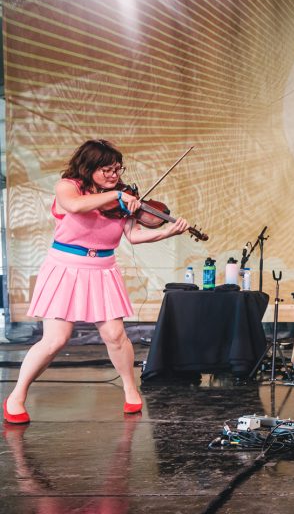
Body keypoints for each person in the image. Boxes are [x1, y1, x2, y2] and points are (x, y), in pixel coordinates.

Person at [3, 140, 189, 425]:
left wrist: (167, 233)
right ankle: (16, 396)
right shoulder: (69, 187)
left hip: (103, 269)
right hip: (65, 267)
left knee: (115, 335)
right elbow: (75, 206)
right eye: (107, 169)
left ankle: (130, 389)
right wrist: (115, 195)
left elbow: (135, 235)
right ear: (89, 167)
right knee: (55, 339)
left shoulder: (125, 198)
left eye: (117, 169)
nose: (114, 175)